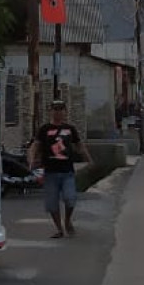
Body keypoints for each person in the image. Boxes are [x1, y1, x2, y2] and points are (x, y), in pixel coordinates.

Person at [31, 99, 88, 238]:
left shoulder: (70, 129)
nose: (58, 112)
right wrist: (32, 158)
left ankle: (67, 220)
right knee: (52, 204)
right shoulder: (44, 129)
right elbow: (36, 145)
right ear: (51, 111)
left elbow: (79, 145)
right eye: (55, 109)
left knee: (70, 198)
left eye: (61, 109)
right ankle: (59, 229)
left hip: (67, 171)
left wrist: (89, 159)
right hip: (50, 172)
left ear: (65, 112)